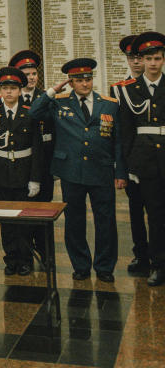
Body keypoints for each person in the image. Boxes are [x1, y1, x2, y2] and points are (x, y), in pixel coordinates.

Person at [29, 58, 126, 282]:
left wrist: (120, 172)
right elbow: (34, 113)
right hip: (71, 170)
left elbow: (118, 140)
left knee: (106, 221)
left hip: (101, 169)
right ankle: (81, 265)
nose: (85, 84)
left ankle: (104, 267)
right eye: (79, 80)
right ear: (71, 83)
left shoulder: (109, 103)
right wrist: (52, 91)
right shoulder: (59, 103)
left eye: (88, 79)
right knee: (74, 220)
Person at [0, 67, 43, 275]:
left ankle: (25, 259)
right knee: (6, 220)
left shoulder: (30, 113)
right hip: (2, 174)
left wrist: (35, 178)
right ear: (0, 91)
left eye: (13, 89)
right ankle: (11, 259)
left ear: (19, 91)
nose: (9, 93)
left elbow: (37, 148)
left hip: (24, 174)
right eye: (5, 88)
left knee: (24, 220)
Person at [117, 31, 165, 286]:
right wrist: (127, 167)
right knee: (154, 213)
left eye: (157, 58)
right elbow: (126, 133)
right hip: (144, 162)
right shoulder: (130, 91)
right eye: (149, 59)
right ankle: (157, 263)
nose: (153, 63)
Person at [111, 35, 151, 278]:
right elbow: (118, 133)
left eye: (139, 57)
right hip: (132, 160)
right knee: (136, 211)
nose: (136, 62)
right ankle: (141, 253)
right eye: (132, 57)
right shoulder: (119, 90)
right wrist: (121, 168)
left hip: (157, 160)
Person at [10, 49, 54, 265]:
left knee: (43, 210)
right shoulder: (12, 100)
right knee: (23, 211)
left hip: (44, 162)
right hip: (20, 165)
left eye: (34, 73)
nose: (31, 77)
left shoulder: (47, 98)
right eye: (26, 74)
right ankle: (24, 255)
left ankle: (46, 254)